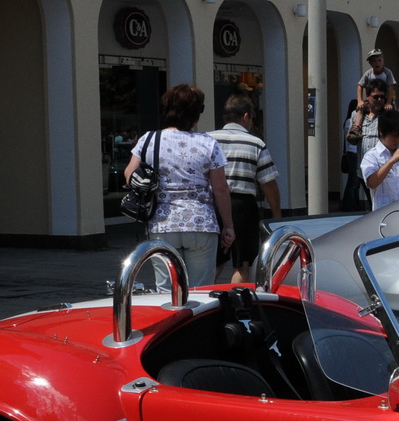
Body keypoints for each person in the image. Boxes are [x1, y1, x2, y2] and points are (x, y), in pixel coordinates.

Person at [118, 84, 233, 292]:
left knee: (167, 290)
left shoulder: (148, 140)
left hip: (162, 224)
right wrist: (228, 226)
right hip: (201, 224)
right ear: (195, 113)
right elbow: (220, 189)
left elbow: (129, 174)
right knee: (201, 290)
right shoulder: (208, 143)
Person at [210, 93, 283, 283]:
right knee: (242, 263)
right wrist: (276, 216)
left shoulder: (208, 139)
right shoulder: (255, 143)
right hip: (242, 206)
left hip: (212, 205)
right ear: (245, 116)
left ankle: (201, 303)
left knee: (214, 261)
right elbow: (268, 183)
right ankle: (238, 305)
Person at [346, 77, 393, 187]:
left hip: (386, 170)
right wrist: (359, 117)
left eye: (382, 97)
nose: (380, 100)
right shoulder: (357, 114)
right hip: (364, 170)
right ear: (367, 96)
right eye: (376, 97)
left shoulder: (391, 115)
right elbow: (352, 141)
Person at [340, 99, 365, 210]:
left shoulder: (347, 121)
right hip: (354, 152)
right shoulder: (351, 121)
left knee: (355, 182)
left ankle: (354, 204)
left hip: (351, 153)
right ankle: (349, 205)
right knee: (353, 181)